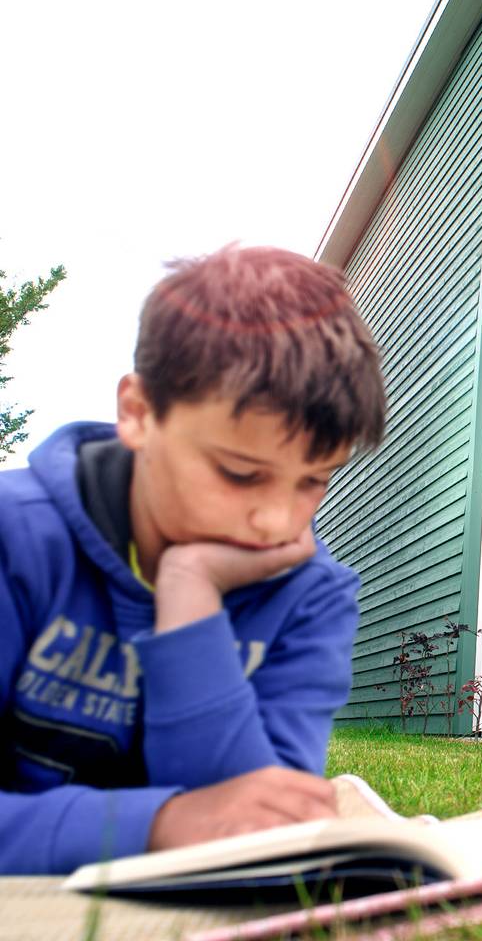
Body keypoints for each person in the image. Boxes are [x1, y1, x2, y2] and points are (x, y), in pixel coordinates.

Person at [0, 244, 387, 874]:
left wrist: (190, 594)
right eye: (240, 473)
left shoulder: (312, 595)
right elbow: (217, 821)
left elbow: (257, 826)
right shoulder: (16, 538)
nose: (279, 522)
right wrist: (157, 825)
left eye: (314, 481)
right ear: (138, 413)